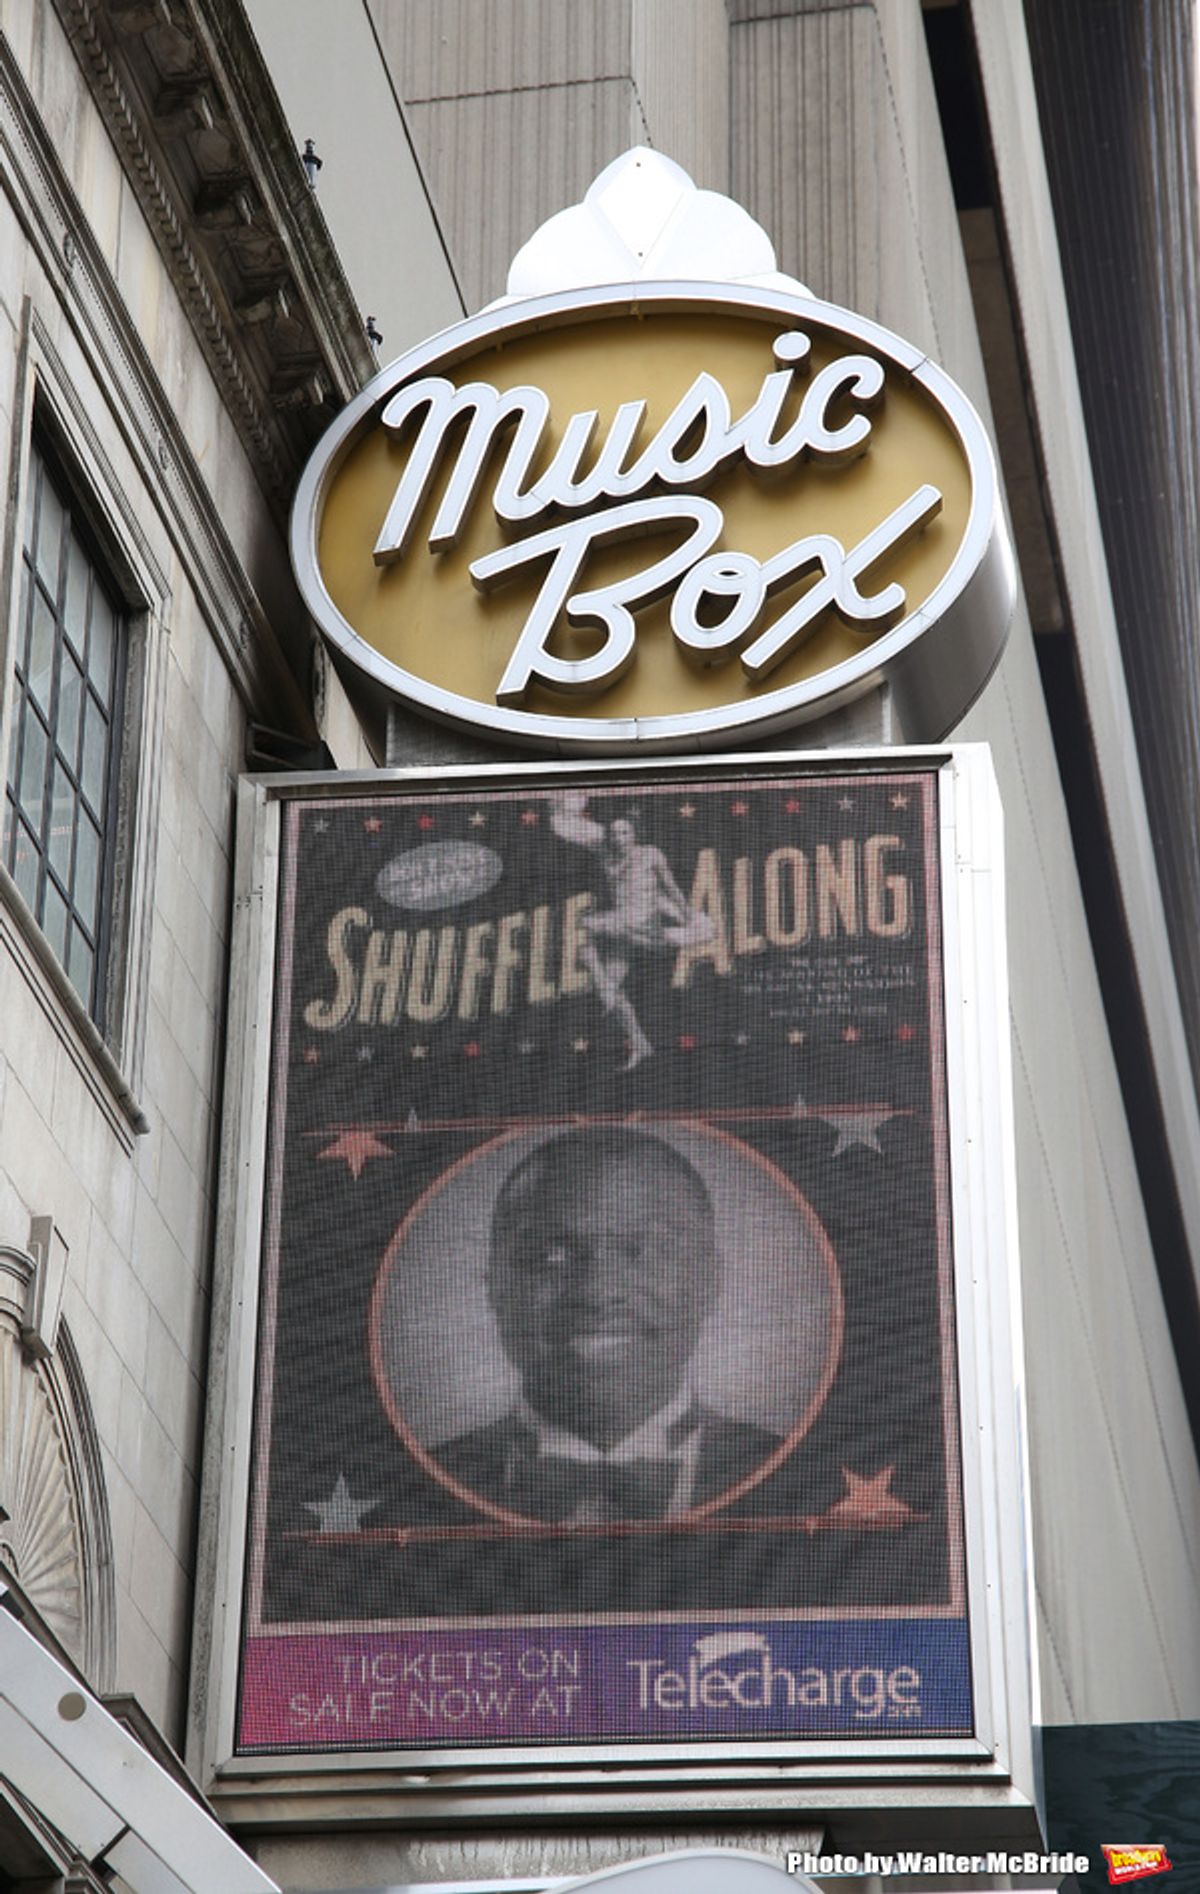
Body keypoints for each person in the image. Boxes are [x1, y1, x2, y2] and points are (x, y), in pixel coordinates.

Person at [433, 1127, 784, 1524]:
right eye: (550, 1254)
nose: (597, 1293)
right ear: (493, 1282)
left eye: (645, 1249)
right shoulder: (409, 1488)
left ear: (710, 1279)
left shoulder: (804, 1477)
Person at [551, 793, 713, 1067]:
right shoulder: (607, 854)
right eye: (614, 832)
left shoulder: (650, 854)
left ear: (635, 834)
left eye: (624, 832)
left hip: (645, 926)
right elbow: (572, 831)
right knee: (611, 990)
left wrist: (687, 917)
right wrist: (561, 807)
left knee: (586, 926)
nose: (618, 837)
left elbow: (671, 889)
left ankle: (601, 977)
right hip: (624, 928)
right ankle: (640, 1044)